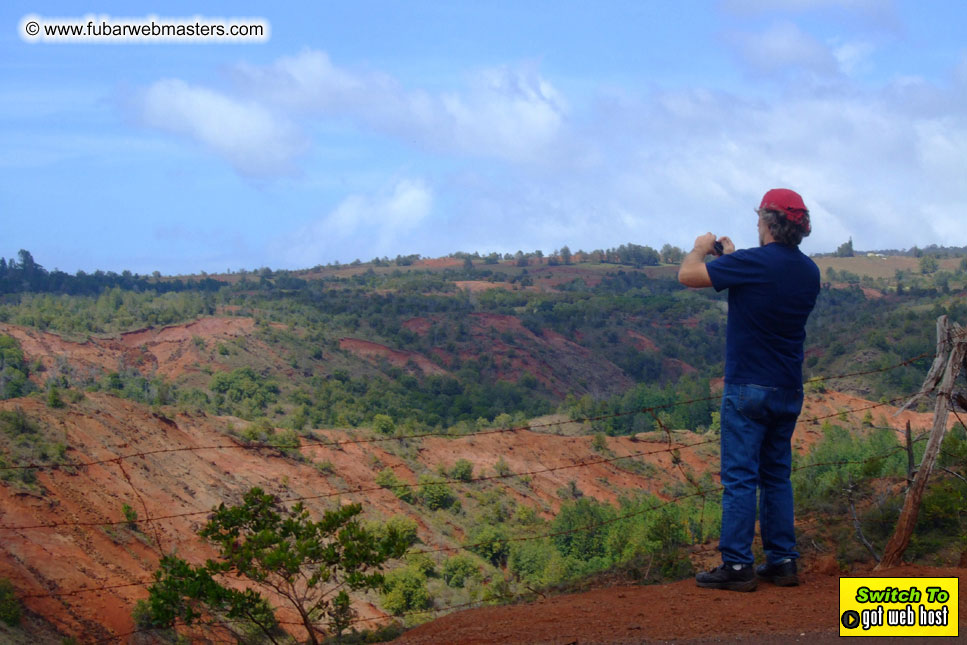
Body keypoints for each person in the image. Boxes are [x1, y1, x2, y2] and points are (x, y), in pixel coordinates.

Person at [678, 188, 820, 592]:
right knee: (777, 476)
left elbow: (688, 276)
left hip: (747, 388)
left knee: (740, 476)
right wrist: (734, 259)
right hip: (788, 386)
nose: (757, 225)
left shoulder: (753, 263)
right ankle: (783, 561)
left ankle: (738, 565)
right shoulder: (809, 271)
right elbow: (763, 283)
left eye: (760, 220)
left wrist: (700, 248)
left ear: (769, 224)